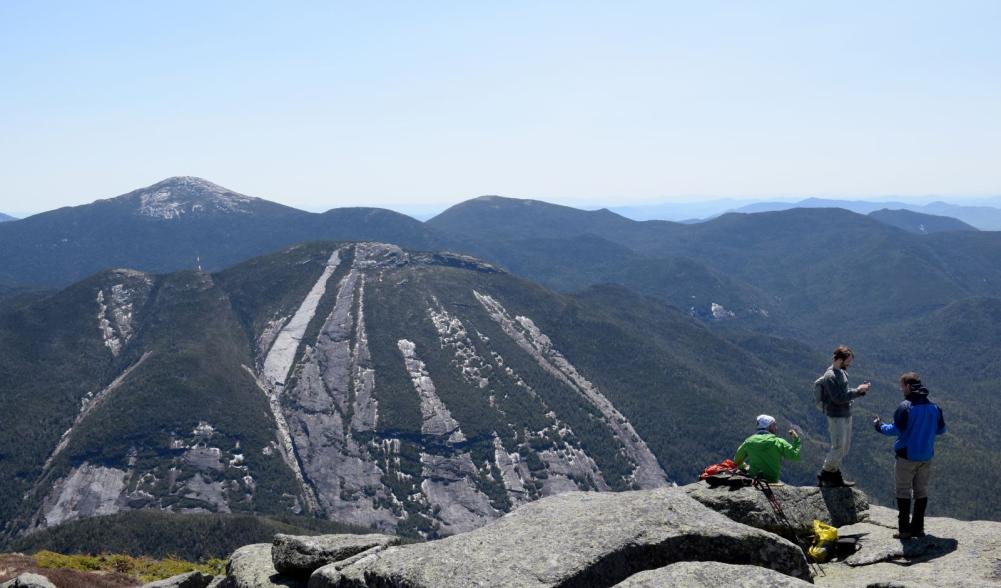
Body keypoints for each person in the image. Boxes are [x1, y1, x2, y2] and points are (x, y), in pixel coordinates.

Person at [873, 372, 946, 539]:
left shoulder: (905, 407)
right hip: (926, 455)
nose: (901, 389)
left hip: (906, 456)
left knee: (903, 491)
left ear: (908, 386)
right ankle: (918, 528)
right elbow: (941, 430)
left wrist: (879, 426)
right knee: (921, 491)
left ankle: (904, 530)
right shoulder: (934, 408)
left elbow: (895, 430)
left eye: (902, 386)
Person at [814, 345, 870, 487]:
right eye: (848, 360)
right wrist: (858, 391)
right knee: (838, 447)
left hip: (846, 413)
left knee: (844, 448)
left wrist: (860, 391)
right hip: (836, 415)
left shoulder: (842, 372)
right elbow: (838, 398)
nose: (850, 363)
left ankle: (834, 474)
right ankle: (824, 474)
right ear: (840, 359)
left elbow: (844, 392)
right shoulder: (830, 376)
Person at [734, 414, 801, 484]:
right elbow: (794, 455)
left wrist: (746, 467)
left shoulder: (749, 441)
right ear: (769, 426)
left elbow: (737, 460)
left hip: (753, 479)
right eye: (774, 425)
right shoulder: (778, 442)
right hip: (772, 481)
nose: (776, 427)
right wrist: (796, 439)